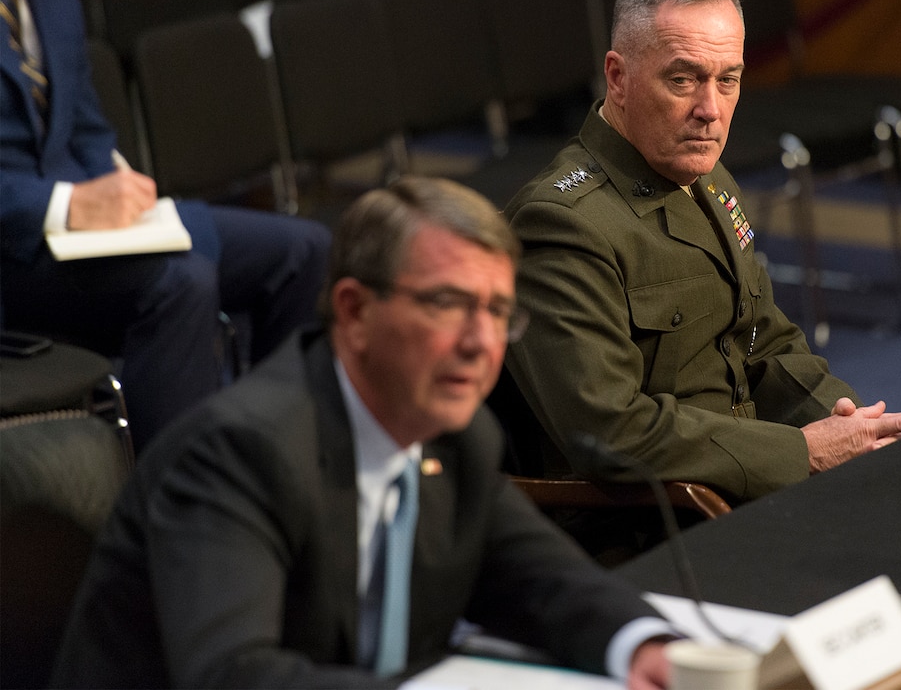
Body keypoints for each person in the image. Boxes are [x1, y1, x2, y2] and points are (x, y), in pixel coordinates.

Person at [51, 177, 674, 689]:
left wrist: (644, 646)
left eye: (497, 311)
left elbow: (538, 580)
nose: (481, 343)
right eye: (447, 304)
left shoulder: (456, 435)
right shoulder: (241, 452)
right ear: (353, 311)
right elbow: (233, 677)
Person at [500, 0, 901, 512]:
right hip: (650, 523)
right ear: (618, 78)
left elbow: (764, 341)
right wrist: (799, 453)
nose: (710, 110)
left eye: (727, 79)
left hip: (742, 487)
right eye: (683, 79)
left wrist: (850, 425)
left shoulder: (705, 179)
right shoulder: (562, 224)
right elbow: (611, 432)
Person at [0, 0, 330, 451]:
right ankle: (177, 507)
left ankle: (279, 460)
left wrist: (117, 180)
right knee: (181, 283)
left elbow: (85, 120)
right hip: (15, 251)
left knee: (305, 250)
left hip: (85, 227)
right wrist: (66, 203)